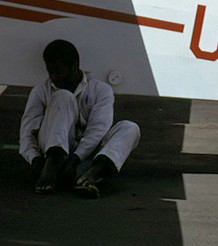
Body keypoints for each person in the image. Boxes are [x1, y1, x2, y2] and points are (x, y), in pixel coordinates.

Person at [19, 39, 140, 197]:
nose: (54, 77)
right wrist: (36, 161)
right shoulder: (41, 91)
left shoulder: (101, 90)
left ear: (74, 66)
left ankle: (90, 175)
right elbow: (27, 131)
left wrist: (75, 160)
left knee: (130, 128)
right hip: (50, 160)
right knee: (63, 96)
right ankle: (52, 171)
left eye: (59, 71)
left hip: (83, 161)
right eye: (50, 72)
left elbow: (97, 130)